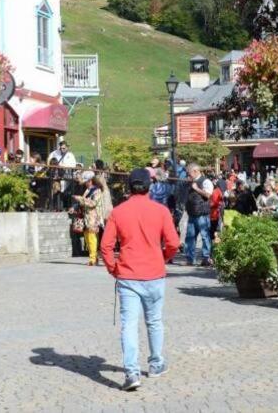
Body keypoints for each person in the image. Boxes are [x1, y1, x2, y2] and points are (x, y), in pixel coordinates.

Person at [100, 168, 180, 391]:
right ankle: (155, 364)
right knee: (154, 321)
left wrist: (113, 268)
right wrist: (163, 257)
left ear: (128, 187)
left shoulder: (118, 212)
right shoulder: (161, 211)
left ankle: (132, 373)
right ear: (149, 186)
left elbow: (105, 246)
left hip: (127, 275)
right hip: (154, 273)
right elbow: (173, 243)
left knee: (129, 325)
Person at [184, 164, 214, 266]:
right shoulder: (190, 182)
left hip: (202, 214)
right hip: (192, 213)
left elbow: (208, 195)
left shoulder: (206, 181)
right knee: (190, 237)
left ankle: (206, 258)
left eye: (189, 173)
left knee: (205, 236)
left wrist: (196, 188)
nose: (188, 174)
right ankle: (190, 259)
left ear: (196, 171)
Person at [73, 171, 104, 266]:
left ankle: (93, 258)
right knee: (87, 236)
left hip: (93, 217)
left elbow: (93, 203)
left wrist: (81, 199)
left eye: (86, 181)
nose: (85, 183)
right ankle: (93, 257)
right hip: (86, 217)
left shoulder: (97, 191)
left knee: (92, 237)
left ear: (90, 181)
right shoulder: (87, 190)